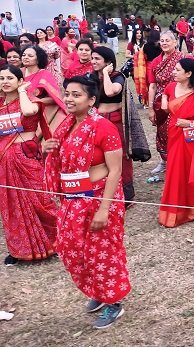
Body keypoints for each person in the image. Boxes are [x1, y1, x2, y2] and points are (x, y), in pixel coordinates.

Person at [42, 75, 131, 329]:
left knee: (102, 253)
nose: (69, 99)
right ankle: (98, 290)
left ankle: (114, 302)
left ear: (92, 100)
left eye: (76, 95)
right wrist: (50, 149)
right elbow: (63, 157)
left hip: (100, 198)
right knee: (72, 249)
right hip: (73, 199)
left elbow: (115, 171)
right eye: (67, 94)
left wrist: (104, 209)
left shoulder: (103, 127)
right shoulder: (66, 125)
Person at [0, 65, 58, 266]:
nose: (5, 82)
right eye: (1, 78)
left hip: (26, 156)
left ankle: (56, 241)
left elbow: (28, 111)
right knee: (12, 203)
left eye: (9, 78)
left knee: (40, 199)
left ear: (19, 80)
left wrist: (23, 91)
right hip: (5, 159)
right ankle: (20, 249)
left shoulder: (30, 100)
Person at [157, 58, 194, 227]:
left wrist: (190, 123)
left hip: (193, 138)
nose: (173, 72)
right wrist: (163, 100)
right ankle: (177, 209)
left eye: (177, 70)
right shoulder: (171, 87)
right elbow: (165, 98)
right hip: (175, 135)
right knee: (176, 171)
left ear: (189, 73)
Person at [87, 46, 135, 203]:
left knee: (119, 156)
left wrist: (106, 74)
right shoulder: (91, 77)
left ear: (108, 62)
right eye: (92, 58)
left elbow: (110, 92)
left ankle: (125, 194)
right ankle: (103, 190)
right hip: (96, 121)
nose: (93, 61)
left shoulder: (117, 76)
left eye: (97, 59)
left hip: (114, 122)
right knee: (98, 155)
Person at [147, 31, 187, 183]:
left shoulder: (183, 59)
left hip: (180, 101)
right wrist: (151, 108)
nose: (164, 43)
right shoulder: (156, 61)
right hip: (160, 103)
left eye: (167, 41)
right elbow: (152, 86)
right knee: (162, 133)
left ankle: (179, 165)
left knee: (177, 132)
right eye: (162, 41)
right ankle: (165, 162)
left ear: (175, 42)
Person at [21, 46, 67, 132]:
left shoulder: (45, 75)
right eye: (24, 55)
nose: (26, 57)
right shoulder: (17, 73)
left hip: (38, 112)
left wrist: (35, 102)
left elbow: (55, 98)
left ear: (38, 59)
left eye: (30, 56)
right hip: (15, 112)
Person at [127, 30, 149, 107]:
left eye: (140, 33)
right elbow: (127, 54)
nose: (139, 34)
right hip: (135, 67)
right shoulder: (131, 44)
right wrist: (136, 56)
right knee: (138, 84)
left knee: (145, 83)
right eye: (137, 33)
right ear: (134, 34)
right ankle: (141, 100)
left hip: (144, 66)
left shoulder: (145, 43)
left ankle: (146, 101)